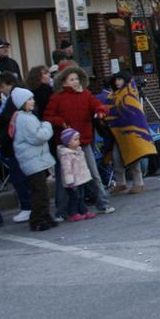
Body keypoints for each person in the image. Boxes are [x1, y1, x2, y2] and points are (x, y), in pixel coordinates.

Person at [43, 66, 114, 214]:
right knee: (64, 178)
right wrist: (60, 121)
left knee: (93, 174)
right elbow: (47, 117)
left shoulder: (86, 94)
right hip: (65, 144)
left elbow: (98, 105)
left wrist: (101, 110)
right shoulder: (56, 98)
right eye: (71, 79)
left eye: (76, 79)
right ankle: (61, 210)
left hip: (84, 141)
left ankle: (103, 203)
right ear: (64, 82)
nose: (75, 82)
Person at [10, 87, 58, 231]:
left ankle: (45, 216)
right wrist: (47, 125)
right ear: (22, 102)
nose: (33, 101)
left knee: (41, 191)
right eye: (29, 99)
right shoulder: (25, 119)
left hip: (35, 161)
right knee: (40, 192)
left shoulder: (25, 117)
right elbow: (39, 137)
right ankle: (37, 219)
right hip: (33, 161)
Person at [104, 73, 155, 194]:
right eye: (116, 79)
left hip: (131, 132)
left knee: (133, 157)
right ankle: (121, 183)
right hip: (118, 132)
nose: (117, 82)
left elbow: (133, 112)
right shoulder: (113, 96)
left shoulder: (130, 94)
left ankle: (138, 182)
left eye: (120, 79)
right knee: (117, 158)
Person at [0, 71, 32, 223]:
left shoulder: (14, 100)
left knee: (19, 177)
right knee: (20, 176)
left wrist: (0, 140)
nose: (1, 90)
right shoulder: (11, 99)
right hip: (12, 145)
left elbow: (9, 124)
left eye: (3, 86)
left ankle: (27, 206)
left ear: (9, 84)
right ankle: (28, 205)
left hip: (14, 145)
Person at [56, 127, 96, 221]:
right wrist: (70, 181)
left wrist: (86, 176)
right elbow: (67, 170)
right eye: (75, 139)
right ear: (68, 142)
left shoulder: (78, 151)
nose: (78, 141)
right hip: (73, 181)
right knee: (75, 197)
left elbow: (83, 165)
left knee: (81, 196)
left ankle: (83, 211)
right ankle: (73, 213)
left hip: (80, 178)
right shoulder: (66, 155)